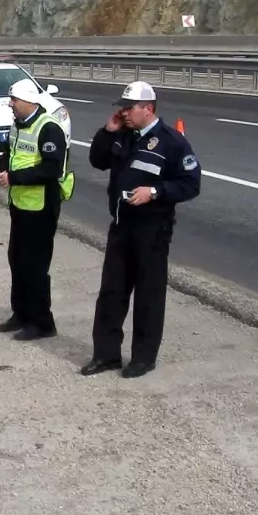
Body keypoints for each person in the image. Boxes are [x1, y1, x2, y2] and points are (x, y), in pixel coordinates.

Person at [81, 81, 201, 378]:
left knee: (148, 294)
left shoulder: (171, 141)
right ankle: (106, 355)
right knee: (111, 293)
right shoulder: (123, 135)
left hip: (152, 229)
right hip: (122, 225)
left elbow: (190, 184)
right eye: (121, 107)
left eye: (128, 107)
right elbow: (97, 161)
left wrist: (155, 192)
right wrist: (107, 131)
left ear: (148, 109)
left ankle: (143, 357)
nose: (123, 112)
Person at [0, 77, 73, 341]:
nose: (10, 104)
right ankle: (22, 313)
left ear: (28, 101)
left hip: (41, 207)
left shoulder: (49, 128)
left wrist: (13, 177)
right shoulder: (18, 125)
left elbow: (51, 169)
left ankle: (42, 322)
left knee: (35, 265)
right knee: (16, 259)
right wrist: (3, 168)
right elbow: (9, 151)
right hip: (20, 204)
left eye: (13, 100)